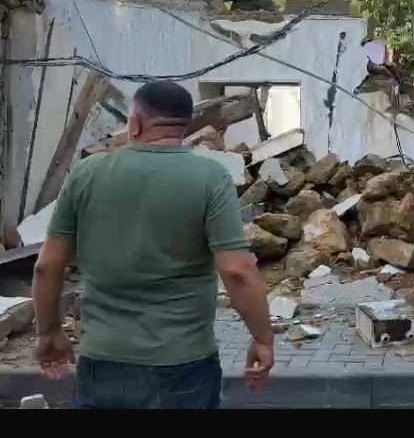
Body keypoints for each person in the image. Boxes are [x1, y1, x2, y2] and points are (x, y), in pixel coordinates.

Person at [31, 80, 274, 409]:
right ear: (184, 126)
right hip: (184, 364)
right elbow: (238, 271)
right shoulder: (210, 178)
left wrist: (48, 333)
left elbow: (47, 266)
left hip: (103, 362)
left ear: (134, 124)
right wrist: (262, 338)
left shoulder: (86, 174)